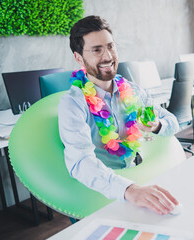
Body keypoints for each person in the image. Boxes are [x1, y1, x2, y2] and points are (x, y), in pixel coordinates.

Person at [58, 15, 180, 215]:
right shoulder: (72, 103)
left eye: (111, 46)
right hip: (99, 192)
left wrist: (157, 125)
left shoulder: (133, 91)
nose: (108, 56)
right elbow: (80, 161)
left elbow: (172, 121)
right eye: (97, 50)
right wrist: (129, 190)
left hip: (137, 177)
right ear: (78, 58)